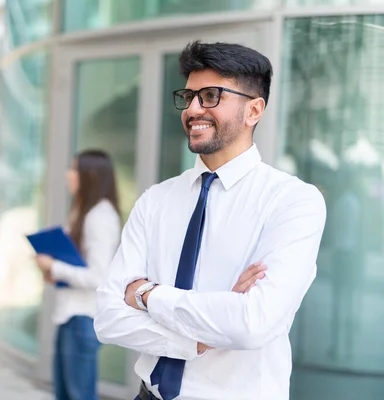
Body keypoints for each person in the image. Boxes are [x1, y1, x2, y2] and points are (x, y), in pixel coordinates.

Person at [95, 41, 327, 400]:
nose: (192, 109)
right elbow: (108, 318)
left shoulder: (293, 201)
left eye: (210, 96)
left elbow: (252, 323)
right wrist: (200, 337)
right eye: (188, 97)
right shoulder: (155, 200)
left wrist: (145, 294)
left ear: (254, 110)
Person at [35, 149, 122, 400]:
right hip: (70, 317)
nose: (68, 175)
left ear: (90, 175)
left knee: (79, 395)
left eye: (74, 169)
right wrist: (54, 271)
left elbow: (98, 277)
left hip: (83, 319)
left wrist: (54, 266)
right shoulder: (84, 211)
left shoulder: (100, 217)